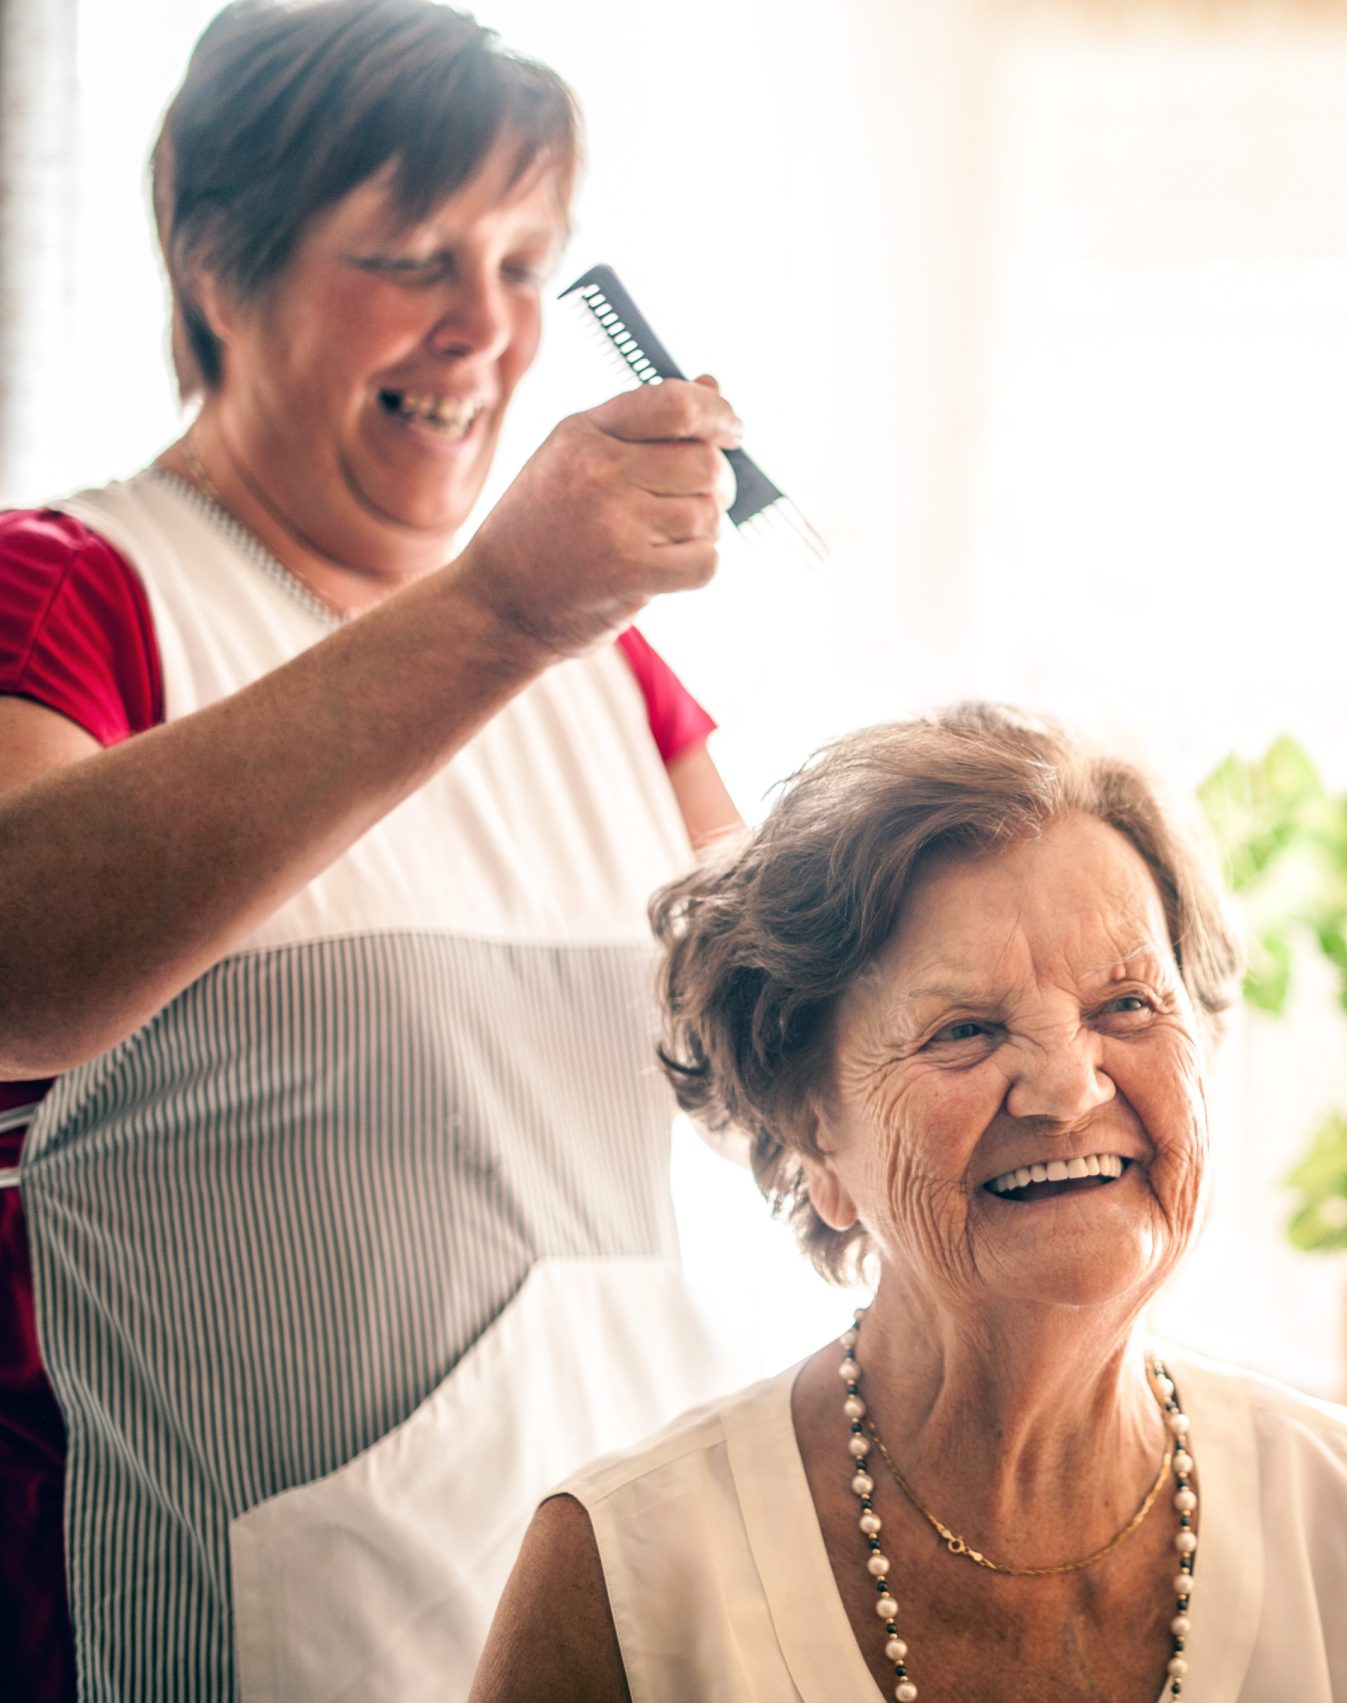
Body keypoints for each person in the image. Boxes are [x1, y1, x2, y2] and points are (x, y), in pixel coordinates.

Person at [0, 3, 755, 1695]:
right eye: (413, 255)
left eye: (523, 259)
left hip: (598, 1599)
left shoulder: (614, 663)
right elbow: (16, 965)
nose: (484, 325)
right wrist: (500, 608)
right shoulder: (72, 590)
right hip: (238, 1622)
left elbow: (786, 1036)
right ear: (215, 268)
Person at [469, 703, 1347, 1703]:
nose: (1067, 1084)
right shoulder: (626, 1574)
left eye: (1128, 1003)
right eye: (964, 1029)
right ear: (812, 1129)